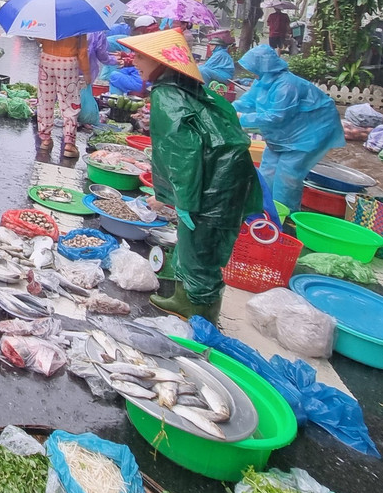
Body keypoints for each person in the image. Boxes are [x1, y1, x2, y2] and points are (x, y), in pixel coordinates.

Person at [121, 29, 260, 324]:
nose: (134, 61)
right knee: (197, 241)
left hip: (213, 180)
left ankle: (198, 312)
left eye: (140, 56)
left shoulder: (167, 96)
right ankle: (188, 300)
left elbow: (182, 153)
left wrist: (173, 198)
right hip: (222, 173)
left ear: (161, 62)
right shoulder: (184, 86)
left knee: (199, 243)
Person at [233, 44, 346, 212]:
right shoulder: (262, 82)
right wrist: (228, 109)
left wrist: (242, 118)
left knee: (288, 176)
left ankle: (285, 216)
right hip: (284, 136)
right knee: (267, 171)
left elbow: (276, 117)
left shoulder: (287, 86)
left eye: (253, 67)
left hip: (309, 134)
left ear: (263, 66)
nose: (251, 72)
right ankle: (264, 210)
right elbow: (247, 102)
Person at [35, 32, 91, 158]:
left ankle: (45, 139)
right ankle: (69, 144)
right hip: (68, 62)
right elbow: (82, 52)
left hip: (46, 59)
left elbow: (39, 38)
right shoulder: (80, 22)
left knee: (45, 100)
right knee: (70, 103)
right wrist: (86, 73)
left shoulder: (48, 17)